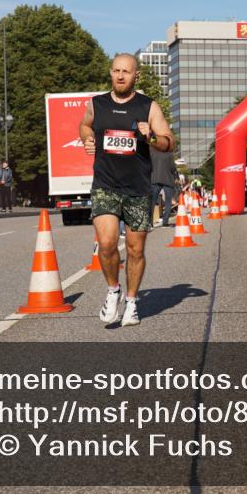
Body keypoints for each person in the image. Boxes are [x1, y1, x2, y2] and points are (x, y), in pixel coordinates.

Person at [81, 53, 174, 328]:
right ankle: (113, 291)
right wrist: (87, 138)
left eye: (126, 72)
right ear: (110, 73)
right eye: (116, 71)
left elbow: (170, 143)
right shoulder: (96, 104)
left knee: (135, 249)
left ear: (136, 76)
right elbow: (85, 125)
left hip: (138, 188)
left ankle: (131, 302)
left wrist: (152, 138)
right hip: (105, 184)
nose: (120, 76)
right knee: (107, 243)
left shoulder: (148, 106)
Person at [150, 147, 177, 227]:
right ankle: (165, 222)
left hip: (155, 179)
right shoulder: (169, 154)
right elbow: (172, 168)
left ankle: (149, 222)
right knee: (168, 202)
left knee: (152, 201)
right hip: (168, 179)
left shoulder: (152, 153)